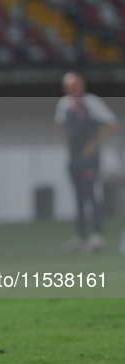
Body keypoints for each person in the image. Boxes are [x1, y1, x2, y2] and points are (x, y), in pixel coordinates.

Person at [55, 72, 118, 252]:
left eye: (78, 85)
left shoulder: (92, 102)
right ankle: (81, 237)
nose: (76, 89)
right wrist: (66, 143)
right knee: (78, 197)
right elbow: (59, 124)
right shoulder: (64, 104)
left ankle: (96, 236)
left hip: (89, 158)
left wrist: (93, 143)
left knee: (91, 194)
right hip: (73, 157)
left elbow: (112, 123)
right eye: (71, 86)